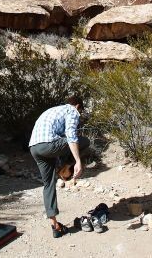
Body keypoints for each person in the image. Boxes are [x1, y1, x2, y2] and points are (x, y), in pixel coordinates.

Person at [29, 95, 90, 238]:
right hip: (48, 145)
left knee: (48, 184)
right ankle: (66, 168)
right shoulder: (72, 111)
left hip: (34, 148)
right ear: (77, 106)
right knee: (84, 141)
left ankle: (55, 225)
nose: (79, 114)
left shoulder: (54, 110)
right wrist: (78, 161)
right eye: (80, 111)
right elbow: (71, 135)